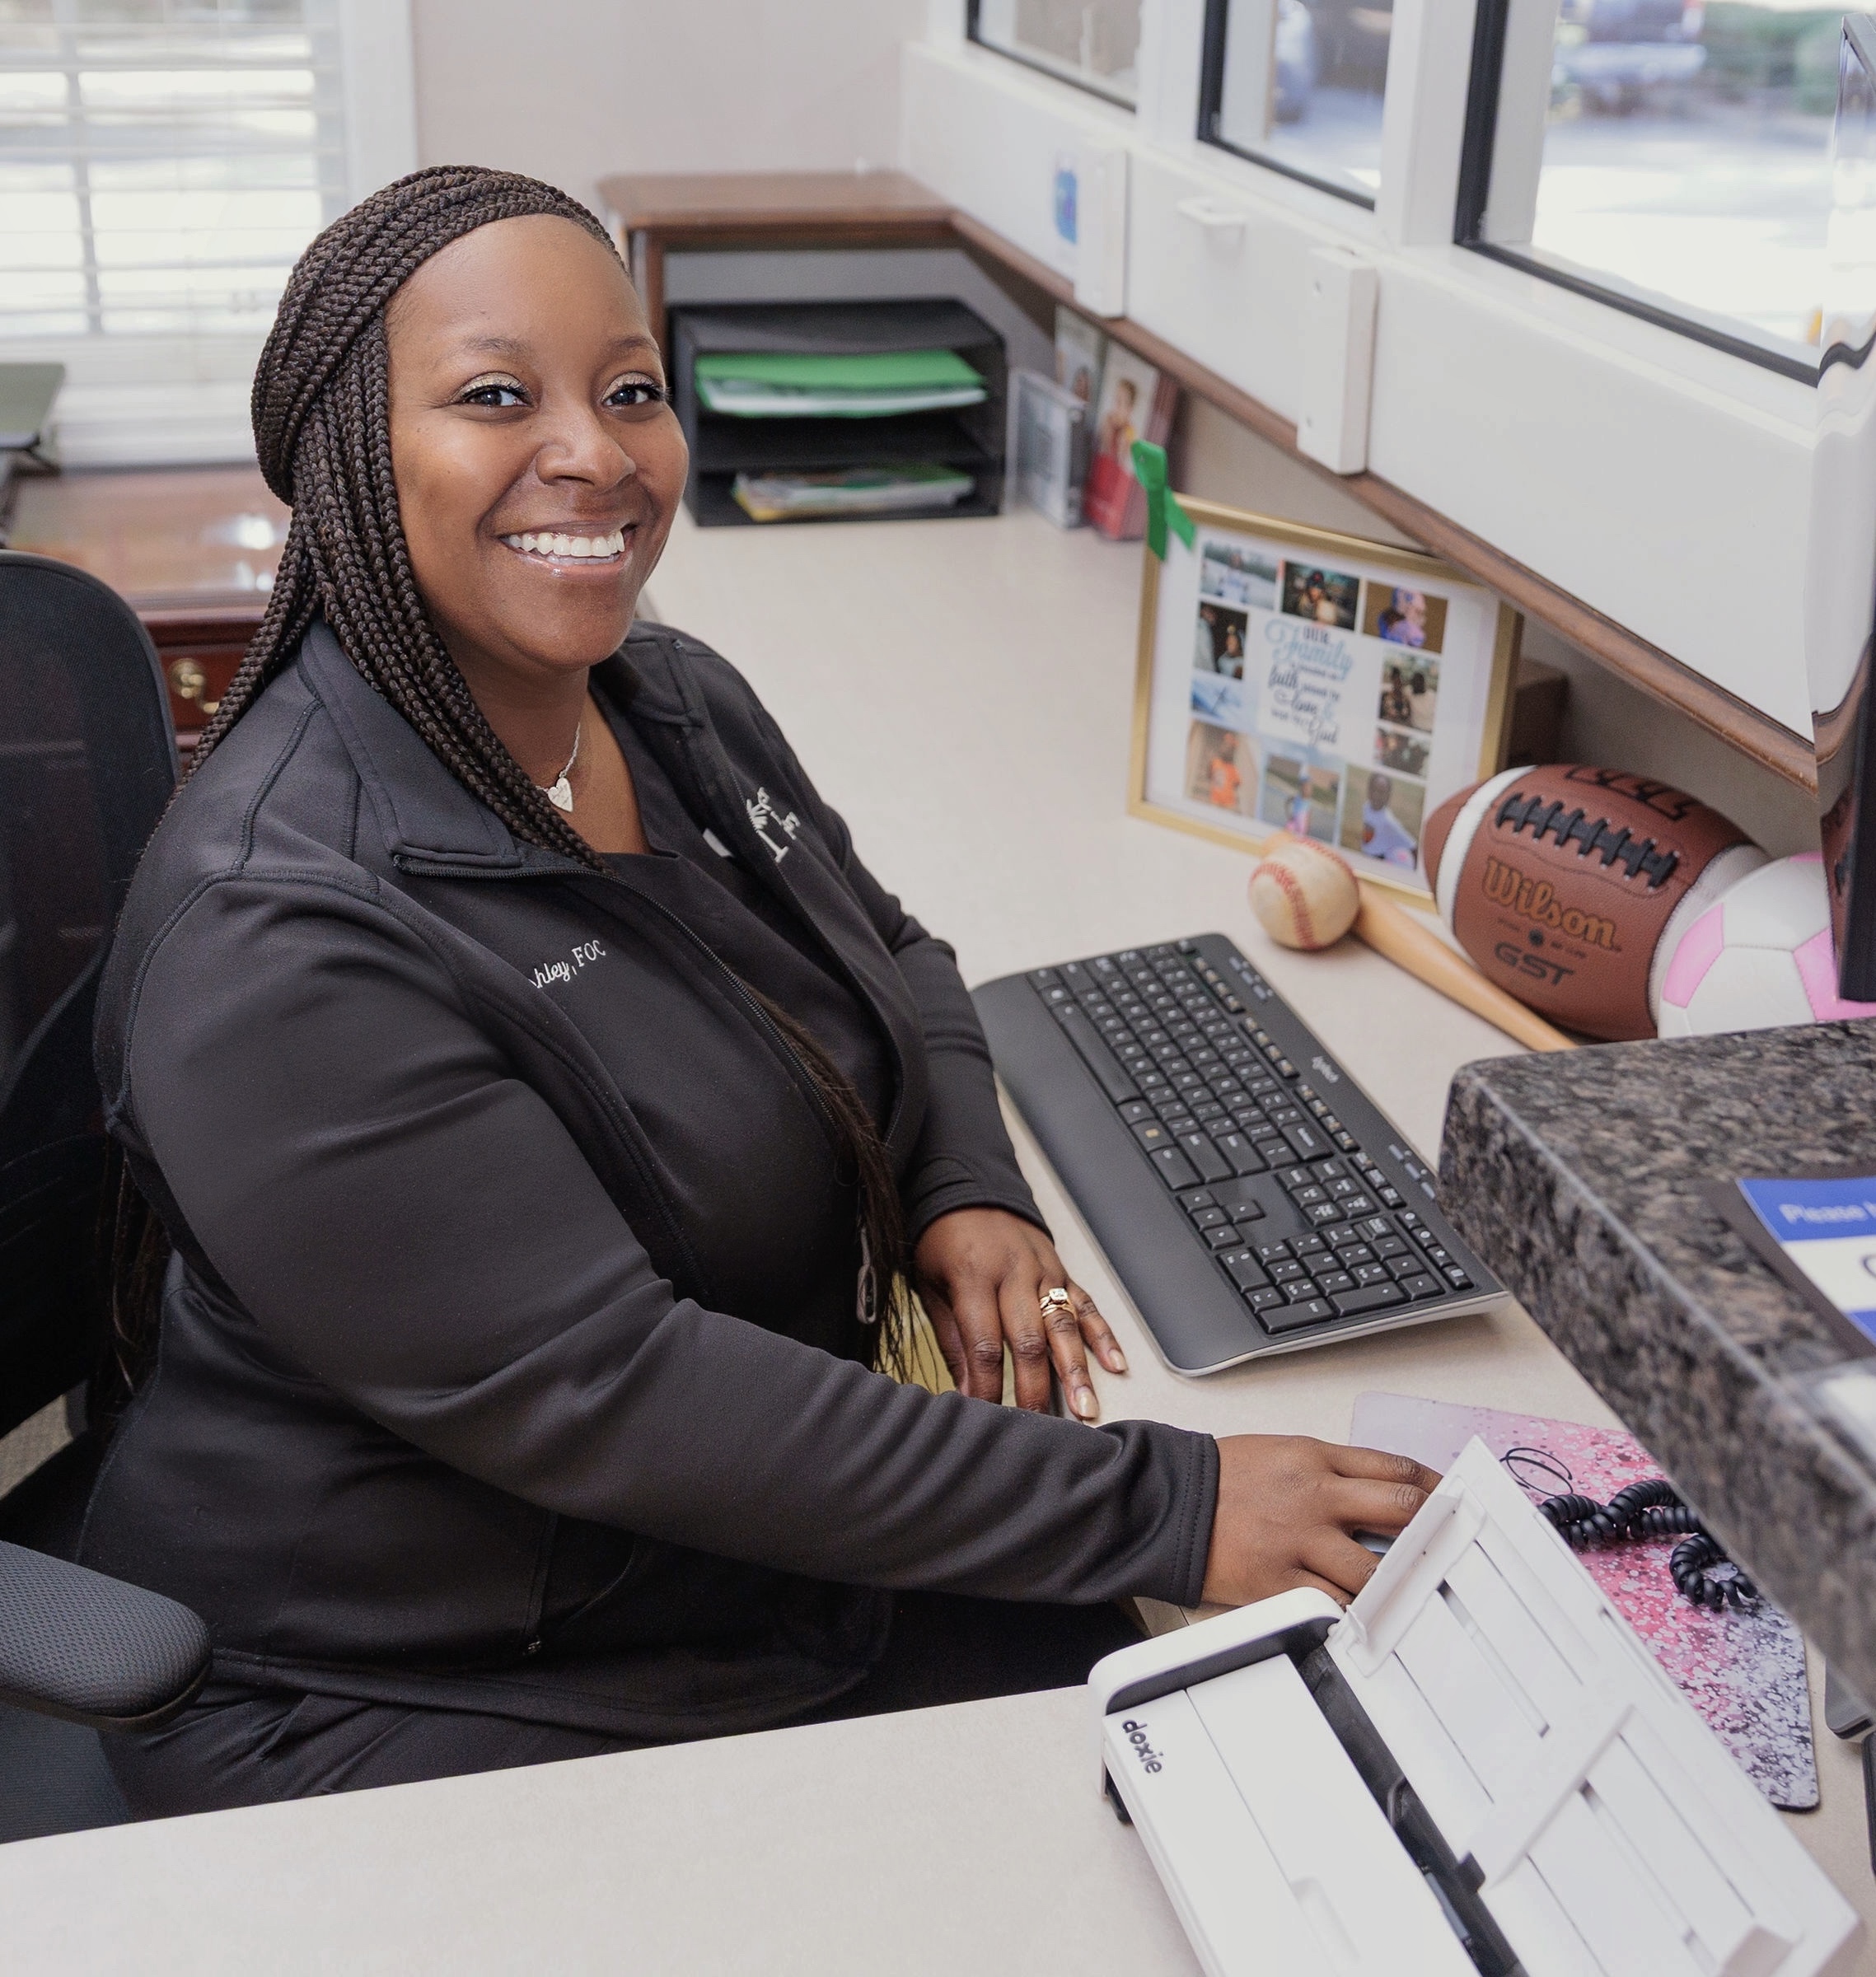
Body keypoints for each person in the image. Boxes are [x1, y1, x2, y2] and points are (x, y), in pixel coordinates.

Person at [84, 168, 1436, 1815]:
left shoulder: (662, 699)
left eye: (629, 390)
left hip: (710, 1540)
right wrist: (1172, 1505)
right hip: (411, 1670)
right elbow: (615, 1393)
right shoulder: (280, 937)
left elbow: (893, 954)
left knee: (1259, 1747)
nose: (596, 454)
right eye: (496, 396)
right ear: (347, 455)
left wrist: (962, 1187)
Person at [1359, 773, 1417, 867]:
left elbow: (1412, 845)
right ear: (1369, 790)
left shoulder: (1389, 821)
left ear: (1388, 796)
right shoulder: (1365, 807)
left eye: (1381, 792)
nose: (1376, 795)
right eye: (1374, 790)